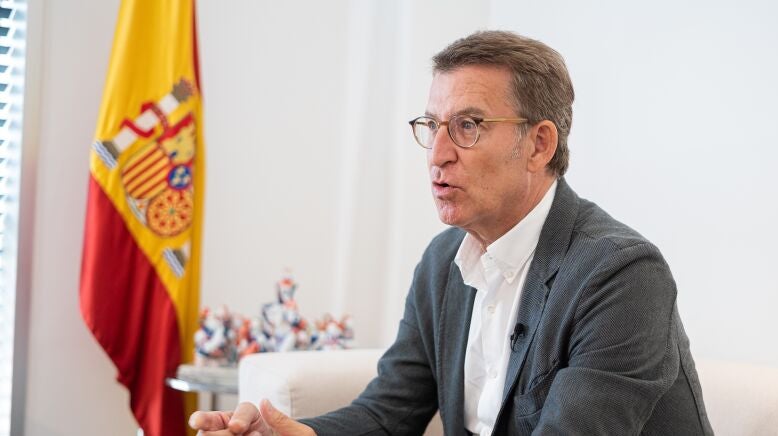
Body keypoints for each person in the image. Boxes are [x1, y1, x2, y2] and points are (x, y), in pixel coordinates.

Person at [190, 30, 713, 435]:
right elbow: (389, 412)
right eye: (432, 126)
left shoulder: (621, 275)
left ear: (539, 145)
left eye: (468, 126)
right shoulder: (444, 262)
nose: (437, 155)